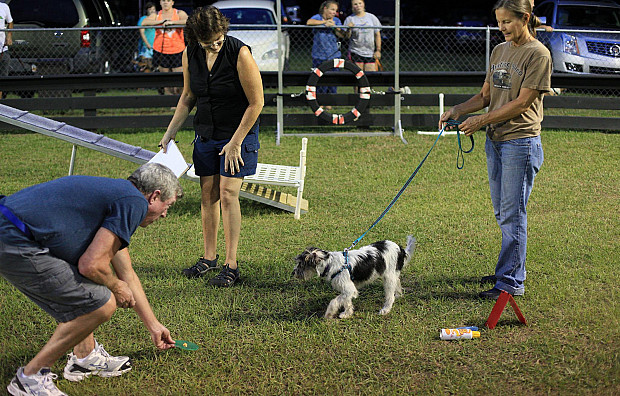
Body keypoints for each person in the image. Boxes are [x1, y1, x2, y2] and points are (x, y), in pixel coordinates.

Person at [0, 163, 183, 396]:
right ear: (154, 196)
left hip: (10, 227)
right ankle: (30, 378)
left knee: (92, 292)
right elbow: (92, 265)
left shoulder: (117, 196)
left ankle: (84, 357)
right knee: (102, 303)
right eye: (168, 206)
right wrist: (115, 287)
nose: (165, 214)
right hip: (12, 237)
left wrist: (154, 327)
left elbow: (127, 273)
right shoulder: (134, 203)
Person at [438, 0, 551, 300]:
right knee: (503, 212)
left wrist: (480, 120)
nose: (501, 28)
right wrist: (459, 110)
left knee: (514, 214)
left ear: (525, 18)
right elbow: (486, 95)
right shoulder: (499, 51)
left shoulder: (538, 55)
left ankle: (512, 282)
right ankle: (508, 270)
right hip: (496, 142)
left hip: (521, 142)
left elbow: (522, 103)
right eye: (499, 22)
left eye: (507, 22)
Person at [158, 6, 264, 287]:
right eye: (209, 43)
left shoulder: (240, 53)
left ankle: (232, 264)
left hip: (237, 133)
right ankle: (209, 258)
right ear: (196, 38)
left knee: (229, 194)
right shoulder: (189, 52)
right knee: (209, 195)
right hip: (206, 133)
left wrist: (236, 143)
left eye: (219, 39)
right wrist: (170, 133)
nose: (215, 45)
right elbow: (187, 96)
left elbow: (257, 103)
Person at [141, 0, 188, 95]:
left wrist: (172, 23)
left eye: (168, 0)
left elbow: (188, 21)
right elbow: (144, 22)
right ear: (160, 3)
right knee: (166, 80)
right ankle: (169, 103)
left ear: (172, 2)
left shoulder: (179, 13)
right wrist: (161, 22)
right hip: (161, 50)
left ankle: (178, 102)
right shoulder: (157, 15)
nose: (165, 3)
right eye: (163, 1)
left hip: (177, 50)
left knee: (179, 80)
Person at [306, 1, 346, 94]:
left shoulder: (336, 20)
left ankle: (330, 103)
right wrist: (324, 23)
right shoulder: (317, 17)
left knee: (333, 80)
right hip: (318, 55)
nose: (334, 12)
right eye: (332, 9)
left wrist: (335, 27)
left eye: (335, 10)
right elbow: (309, 22)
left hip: (334, 55)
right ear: (325, 8)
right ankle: (320, 101)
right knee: (320, 80)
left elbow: (341, 35)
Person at [344, 0, 381, 72]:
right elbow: (347, 36)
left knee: (371, 74)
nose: (358, 6)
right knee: (358, 74)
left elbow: (377, 35)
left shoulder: (371, 17)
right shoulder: (349, 19)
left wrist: (378, 50)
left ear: (363, 4)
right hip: (356, 51)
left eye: (360, 3)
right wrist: (349, 29)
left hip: (370, 52)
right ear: (352, 7)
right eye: (355, 4)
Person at [137, 2, 157, 72]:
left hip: (156, 46)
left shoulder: (157, 18)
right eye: (150, 9)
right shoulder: (143, 19)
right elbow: (141, 32)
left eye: (153, 9)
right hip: (147, 46)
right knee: (146, 65)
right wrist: (147, 44)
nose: (152, 11)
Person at [0, 1, 13, 98]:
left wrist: (9, 36)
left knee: (2, 79)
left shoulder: (4, 7)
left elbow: (10, 22)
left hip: (2, 49)